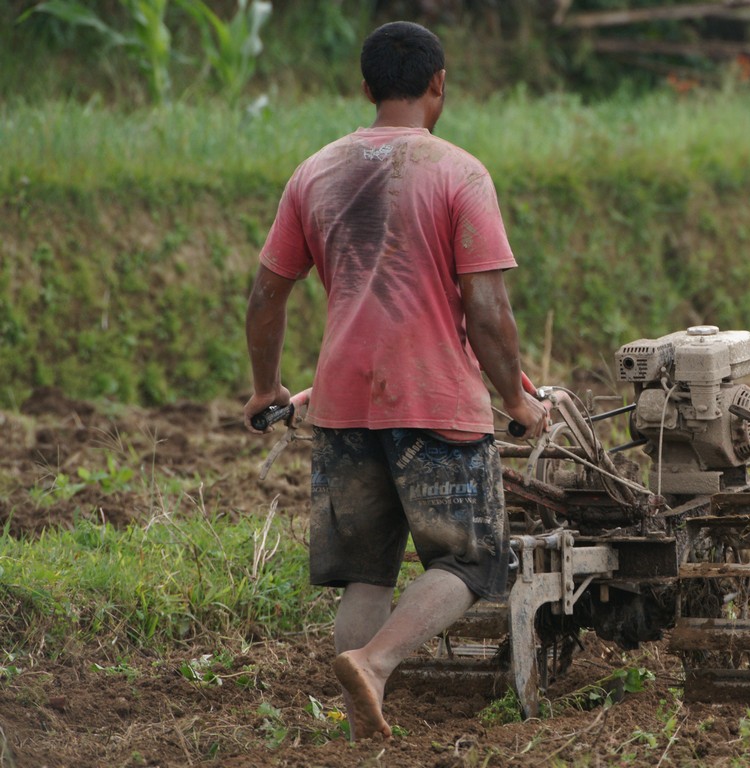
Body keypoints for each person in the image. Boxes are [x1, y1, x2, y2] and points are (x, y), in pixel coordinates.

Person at [242, 20, 549, 741]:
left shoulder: (314, 171)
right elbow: (486, 307)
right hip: (436, 402)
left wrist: (265, 389)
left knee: (368, 574)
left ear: (365, 87)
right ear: (439, 84)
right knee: (473, 559)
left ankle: (357, 706)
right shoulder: (458, 172)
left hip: (343, 404)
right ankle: (376, 665)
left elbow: (265, 296)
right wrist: (514, 400)